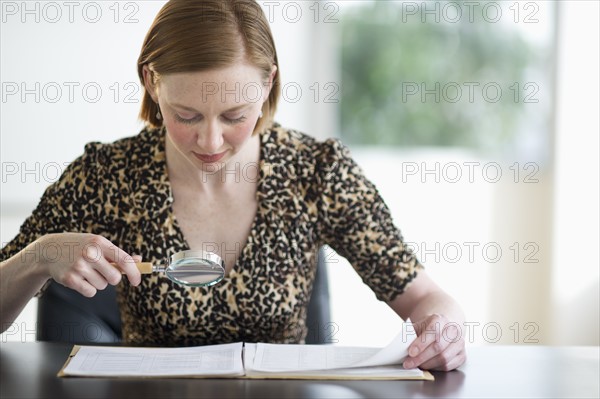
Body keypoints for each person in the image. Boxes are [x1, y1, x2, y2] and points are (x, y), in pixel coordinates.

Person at [0, 0, 466, 371]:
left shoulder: (317, 171)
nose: (209, 141)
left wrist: (442, 333)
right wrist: (38, 256)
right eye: (186, 116)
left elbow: (425, 297)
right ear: (151, 81)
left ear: (266, 86)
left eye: (234, 116)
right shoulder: (106, 174)